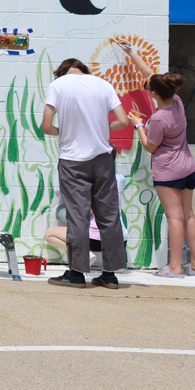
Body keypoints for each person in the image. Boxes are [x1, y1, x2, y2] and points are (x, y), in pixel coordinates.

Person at [42, 57, 130, 288]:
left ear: (62, 73)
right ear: (84, 71)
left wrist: (67, 131)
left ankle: (77, 274)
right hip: (102, 159)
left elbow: (46, 126)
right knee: (109, 216)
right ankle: (110, 275)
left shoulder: (58, 86)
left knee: (78, 216)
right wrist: (101, 128)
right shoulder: (103, 84)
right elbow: (123, 121)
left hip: (73, 161)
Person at [119, 47, 195, 277]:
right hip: (188, 166)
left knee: (174, 217)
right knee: (188, 215)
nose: (147, 89)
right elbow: (151, 75)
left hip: (169, 170)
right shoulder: (176, 102)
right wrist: (131, 53)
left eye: (148, 88)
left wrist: (138, 124)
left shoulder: (158, 118)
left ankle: (175, 267)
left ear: (154, 93)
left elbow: (150, 147)